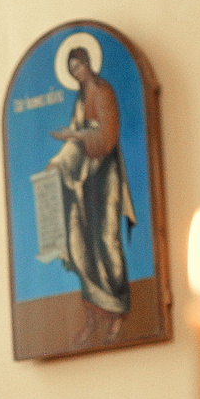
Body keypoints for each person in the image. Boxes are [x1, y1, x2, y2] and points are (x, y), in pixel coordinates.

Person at [40, 41, 136, 348]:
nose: (76, 74)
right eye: (71, 71)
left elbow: (107, 135)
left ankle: (118, 311)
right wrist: (57, 164)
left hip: (105, 172)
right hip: (83, 174)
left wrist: (77, 135)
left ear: (88, 64)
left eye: (78, 67)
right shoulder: (80, 100)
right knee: (81, 240)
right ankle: (93, 317)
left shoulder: (103, 92)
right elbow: (74, 140)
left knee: (107, 240)